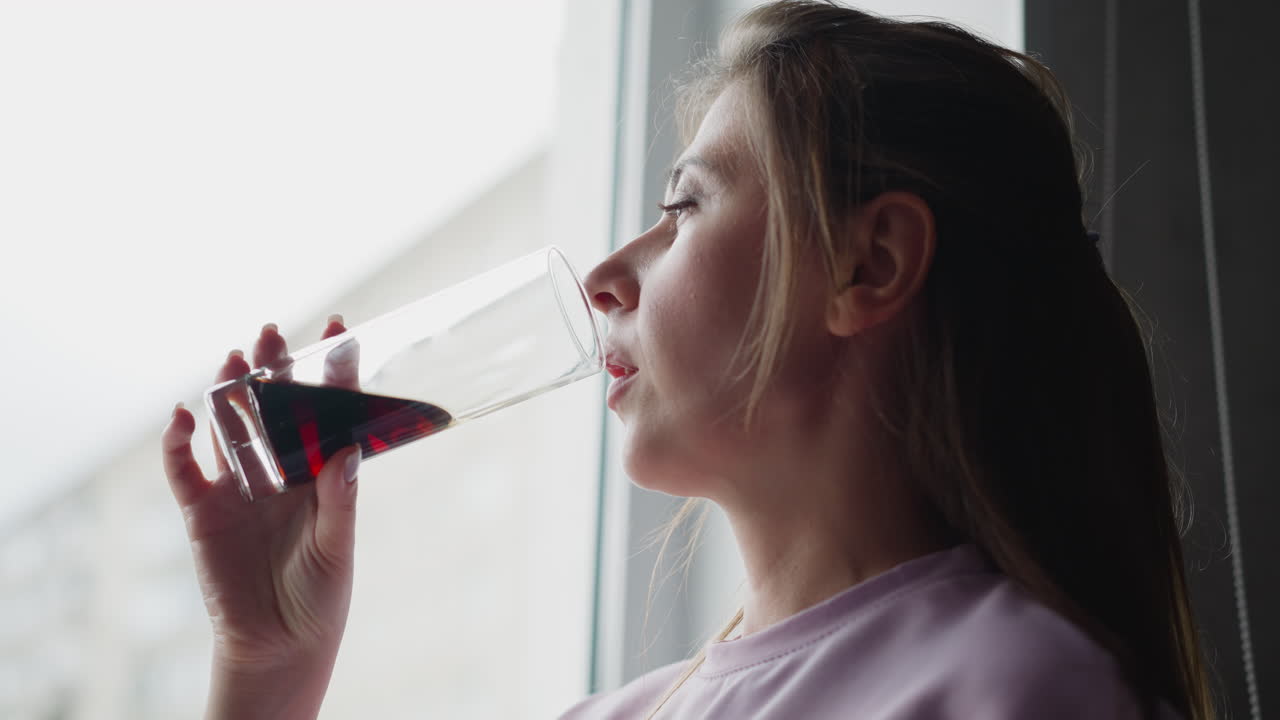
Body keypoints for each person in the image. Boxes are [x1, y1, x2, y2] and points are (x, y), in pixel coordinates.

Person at [161, 1, 1215, 718]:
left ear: (870, 262)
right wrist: (265, 669)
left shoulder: (1006, 687)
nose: (604, 276)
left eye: (681, 208)